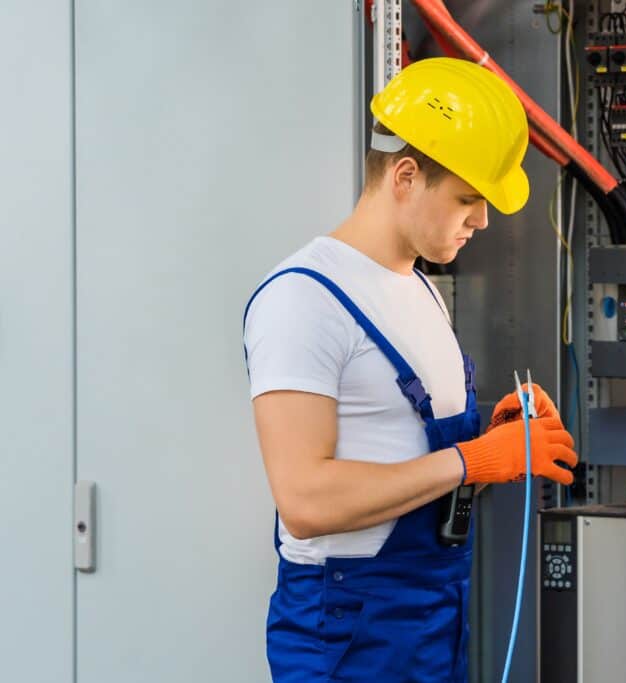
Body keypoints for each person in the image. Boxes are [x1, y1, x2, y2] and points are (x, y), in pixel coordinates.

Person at [242, 57, 578, 682]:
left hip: (431, 624)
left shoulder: (418, 290)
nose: (482, 220)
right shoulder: (303, 299)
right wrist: (473, 461)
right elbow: (305, 499)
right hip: (350, 636)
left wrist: (498, 447)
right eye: (468, 199)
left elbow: (404, 464)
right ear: (404, 176)